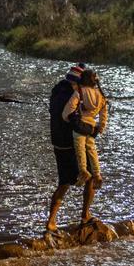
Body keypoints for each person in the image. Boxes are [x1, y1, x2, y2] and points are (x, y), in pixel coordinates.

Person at [46, 64, 96, 232]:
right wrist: (90, 129)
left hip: (58, 143)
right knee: (91, 177)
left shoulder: (57, 91)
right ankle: (85, 216)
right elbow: (72, 120)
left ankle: (51, 222)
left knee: (64, 182)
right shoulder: (72, 96)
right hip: (71, 144)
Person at [62, 68, 109, 190]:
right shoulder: (101, 95)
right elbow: (104, 114)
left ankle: (83, 171)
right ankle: (97, 174)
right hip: (92, 127)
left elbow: (68, 109)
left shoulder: (79, 92)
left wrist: (67, 119)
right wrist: (101, 127)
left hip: (80, 125)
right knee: (92, 151)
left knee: (80, 150)